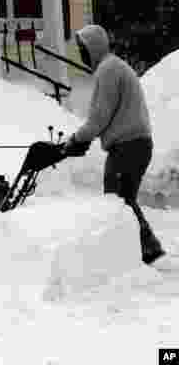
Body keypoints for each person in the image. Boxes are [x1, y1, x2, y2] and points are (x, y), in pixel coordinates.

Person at [63, 24, 165, 265]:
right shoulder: (112, 66)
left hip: (128, 146)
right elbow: (104, 117)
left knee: (117, 202)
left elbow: (99, 117)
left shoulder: (108, 70)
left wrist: (77, 139)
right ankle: (147, 247)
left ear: (93, 48)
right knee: (122, 200)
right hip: (134, 144)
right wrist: (83, 138)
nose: (82, 55)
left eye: (83, 49)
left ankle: (141, 250)